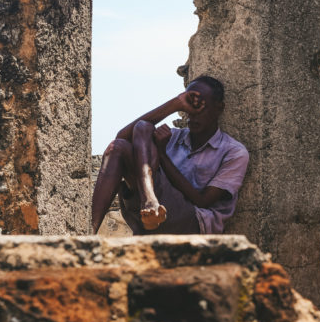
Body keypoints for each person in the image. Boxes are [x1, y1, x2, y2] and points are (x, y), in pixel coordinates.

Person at [90, 75, 249, 235]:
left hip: (191, 222)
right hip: (153, 216)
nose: (192, 115)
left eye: (201, 108)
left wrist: (162, 155)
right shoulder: (173, 137)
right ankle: (89, 231)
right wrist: (174, 105)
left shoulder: (234, 152)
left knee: (142, 129)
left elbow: (203, 201)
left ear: (219, 108)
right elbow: (122, 136)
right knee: (124, 142)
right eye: (189, 108)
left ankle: (150, 201)